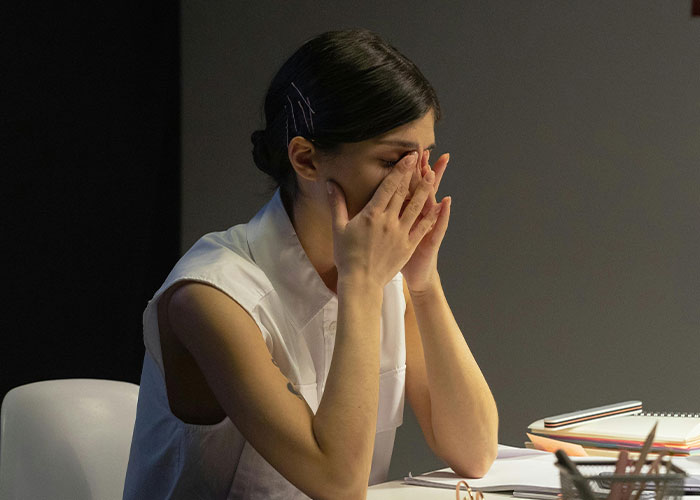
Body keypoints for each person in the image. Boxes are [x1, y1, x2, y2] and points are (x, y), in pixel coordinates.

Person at [123, 29, 498, 500]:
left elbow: (475, 451)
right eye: (394, 160)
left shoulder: (383, 279)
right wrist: (361, 284)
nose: (417, 182)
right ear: (305, 159)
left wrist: (424, 283)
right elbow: (337, 485)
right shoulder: (210, 295)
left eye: (423, 158)